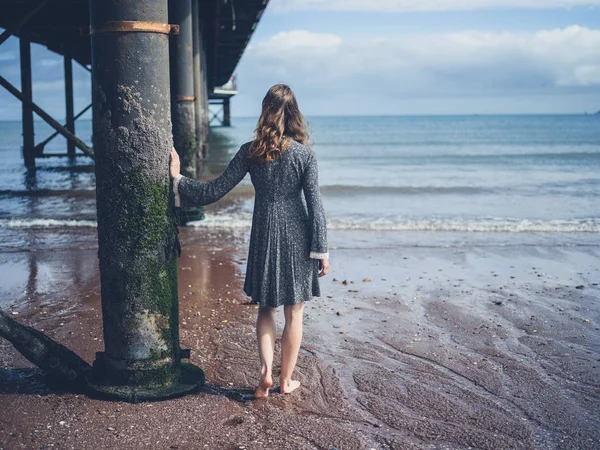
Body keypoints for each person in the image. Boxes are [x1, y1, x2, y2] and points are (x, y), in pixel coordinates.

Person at [169, 84, 330, 398]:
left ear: (265, 111)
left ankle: (266, 374)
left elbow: (212, 191)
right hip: (297, 233)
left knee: (266, 309)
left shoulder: (250, 151)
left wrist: (177, 179)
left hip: (264, 234)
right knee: (294, 312)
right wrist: (321, 249)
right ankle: (286, 381)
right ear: (294, 114)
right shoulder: (305, 155)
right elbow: (315, 205)